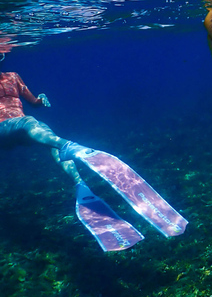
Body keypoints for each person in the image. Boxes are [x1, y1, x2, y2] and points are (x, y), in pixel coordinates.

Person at [0, 58, 188, 251]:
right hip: (3, 130)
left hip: (23, 128)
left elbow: (33, 103)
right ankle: (67, 145)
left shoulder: (13, 77)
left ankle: (79, 183)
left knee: (45, 132)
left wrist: (40, 100)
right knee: (30, 123)